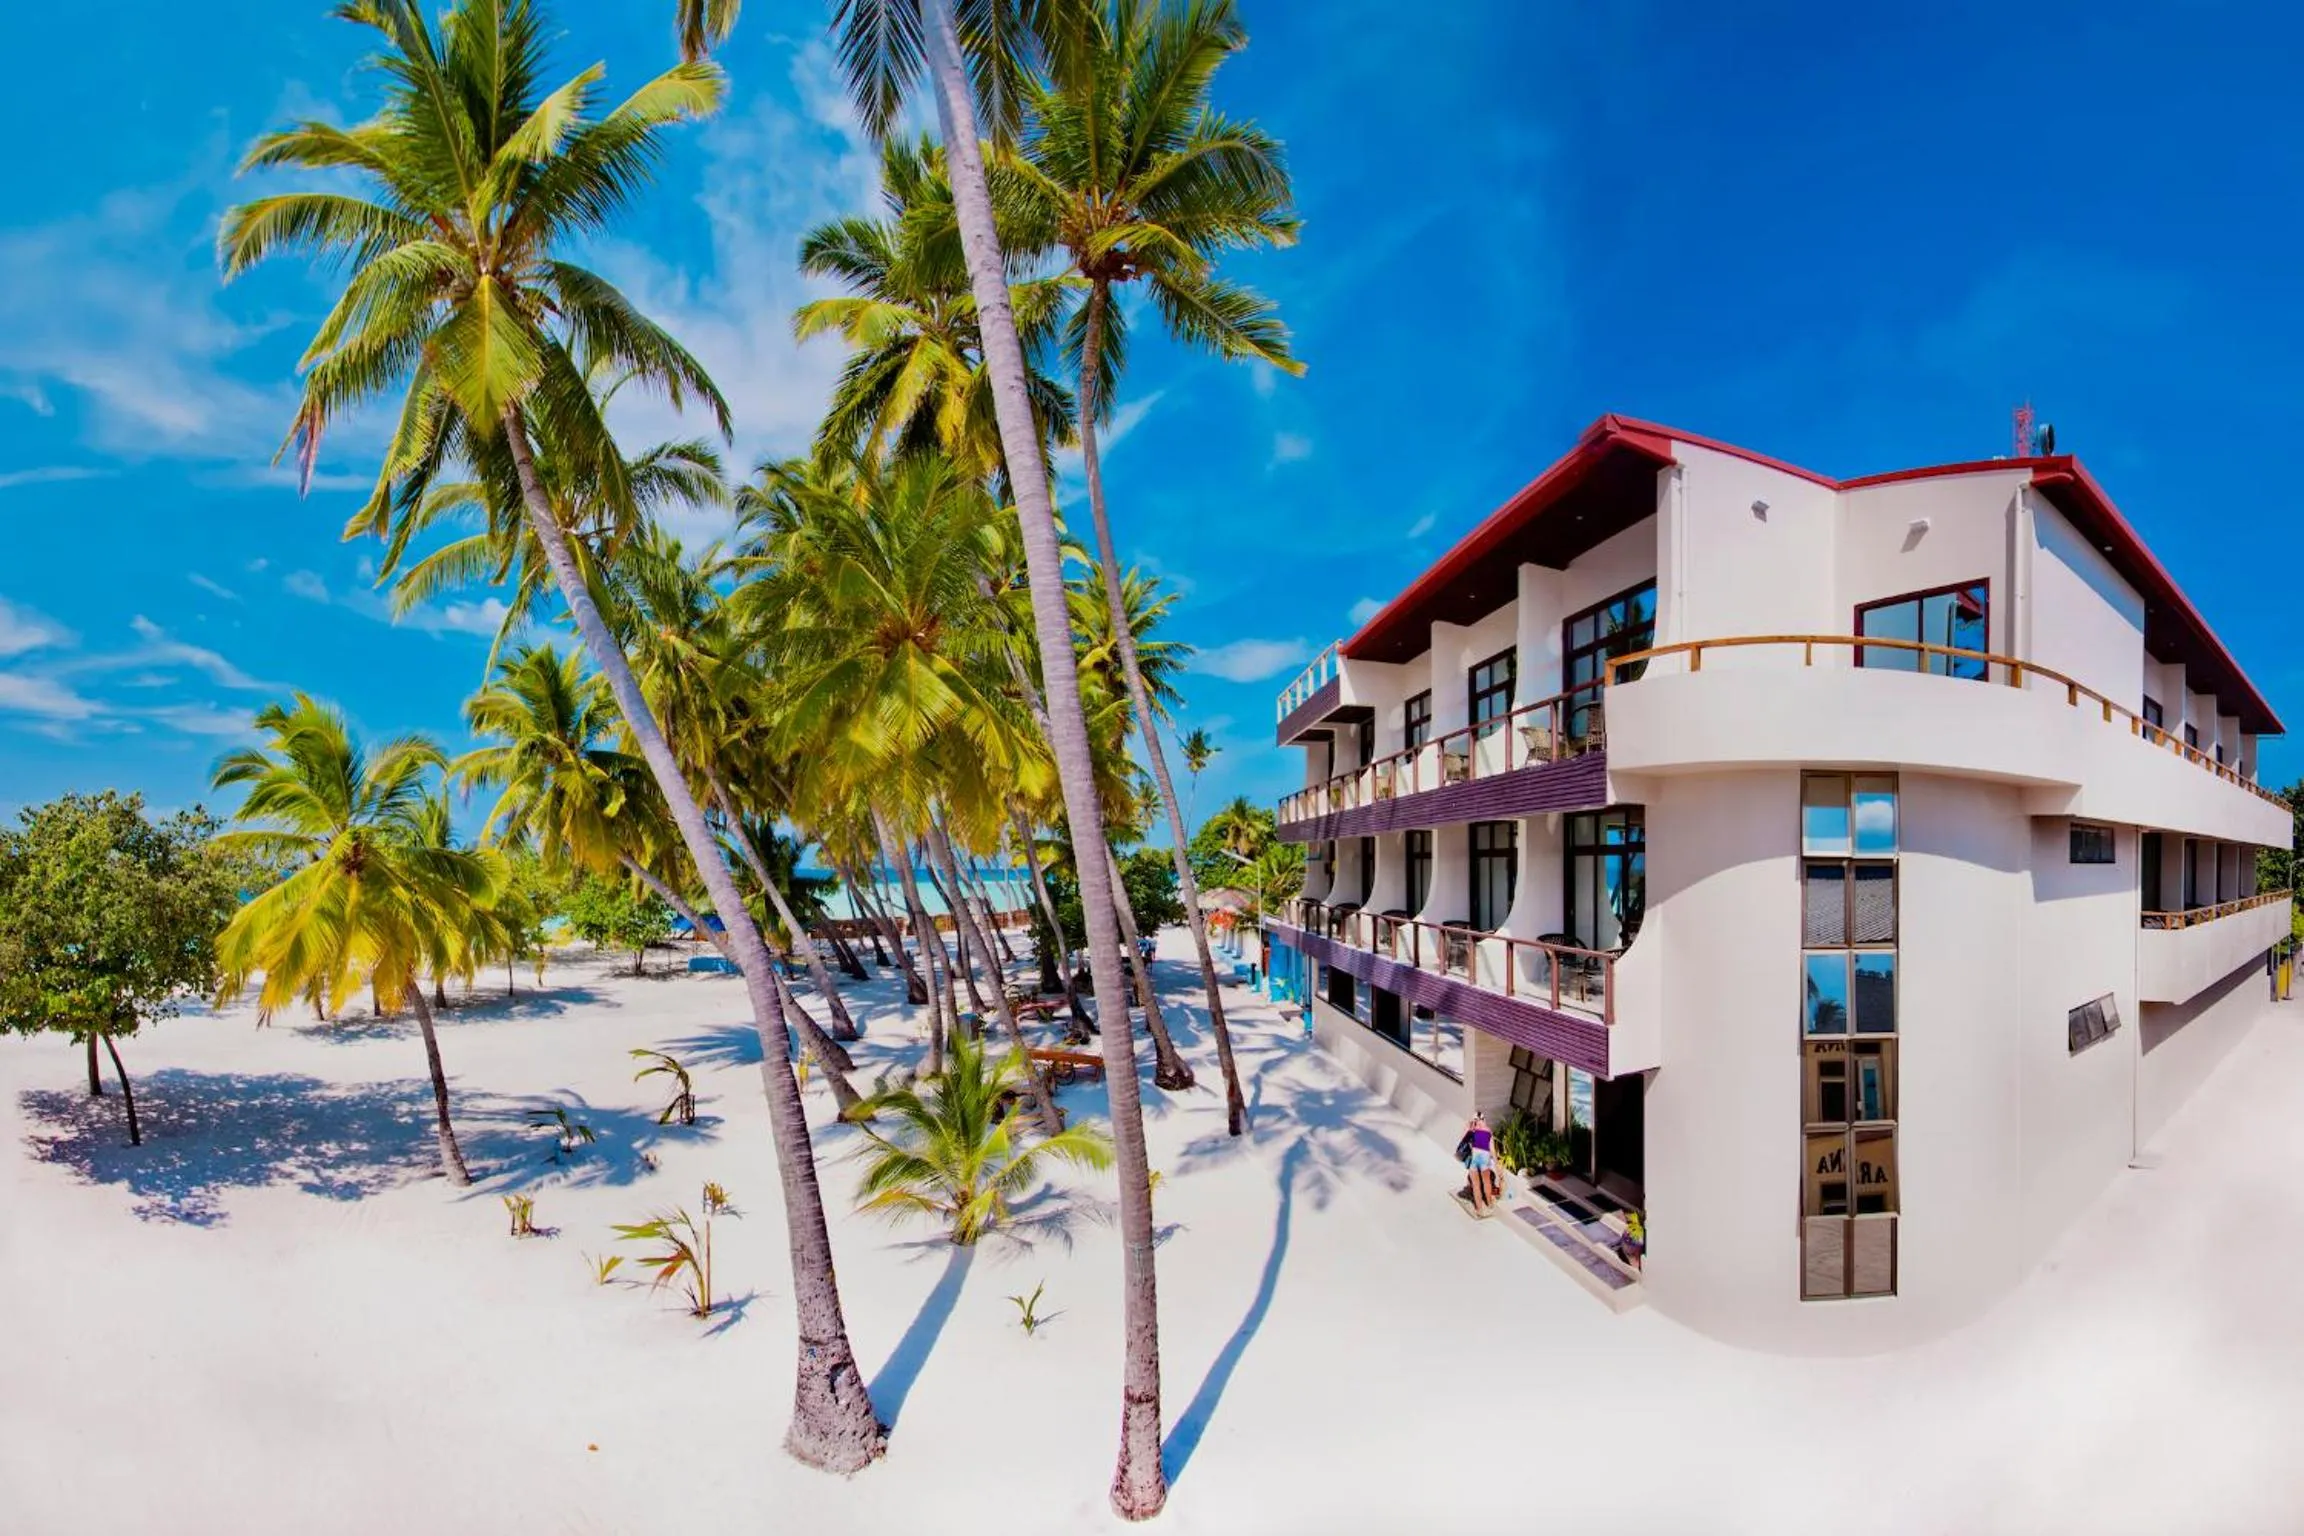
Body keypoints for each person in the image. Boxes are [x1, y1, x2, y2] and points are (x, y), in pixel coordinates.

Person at [1459, 1111, 1501, 1213]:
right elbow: (1493, 1151)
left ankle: (1479, 1208)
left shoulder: (1472, 1131)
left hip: (1475, 1158)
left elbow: (1463, 1141)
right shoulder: (1489, 1131)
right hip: (1485, 1158)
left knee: (1476, 1185)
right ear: (1483, 1119)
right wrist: (1497, 1166)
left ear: (1474, 1121)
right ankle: (1490, 1204)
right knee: (1486, 1182)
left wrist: (1469, 1125)